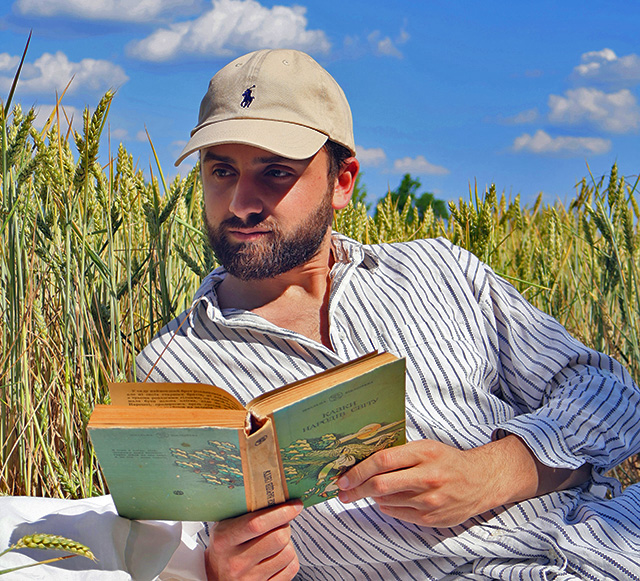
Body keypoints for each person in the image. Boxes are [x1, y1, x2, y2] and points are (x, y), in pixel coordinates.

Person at [137, 49, 640, 580]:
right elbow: (169, 552)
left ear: (342, 181)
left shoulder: (438, 269)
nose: (241, 202)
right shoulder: (172, 373)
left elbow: (607, 391)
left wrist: (493, 472)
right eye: (221, 170)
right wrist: (222, 571)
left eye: (275, 171)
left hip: (613, 537)